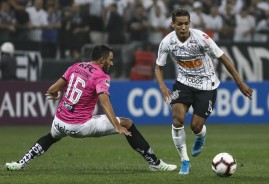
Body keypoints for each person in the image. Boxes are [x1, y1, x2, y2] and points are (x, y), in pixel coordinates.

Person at [5, 45, 177, 172]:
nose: (111, 63)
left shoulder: (76, 66)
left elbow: (52, 90)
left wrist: (57, 95)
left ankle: (21, 162)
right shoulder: (101, 76)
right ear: (102, 60)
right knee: (127, 123)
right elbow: (104, 103)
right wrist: (117, 126)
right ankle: (155, 163)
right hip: (80, 126)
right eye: (110, 59)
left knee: (50, 137)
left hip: (60, 120)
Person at [154, 9, 253, 175]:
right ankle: (184, 161)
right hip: (183, 83)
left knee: (196, 126)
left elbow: (223, 58)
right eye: (179, 24)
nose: (183, 27)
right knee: (177, 120)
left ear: (189, 23)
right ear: (173, 24)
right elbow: (159, 67)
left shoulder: (201, 38)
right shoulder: (167, 42)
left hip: (207, 85)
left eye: (186, 23)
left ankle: (200, 136)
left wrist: (240, 83)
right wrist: (163, 86)